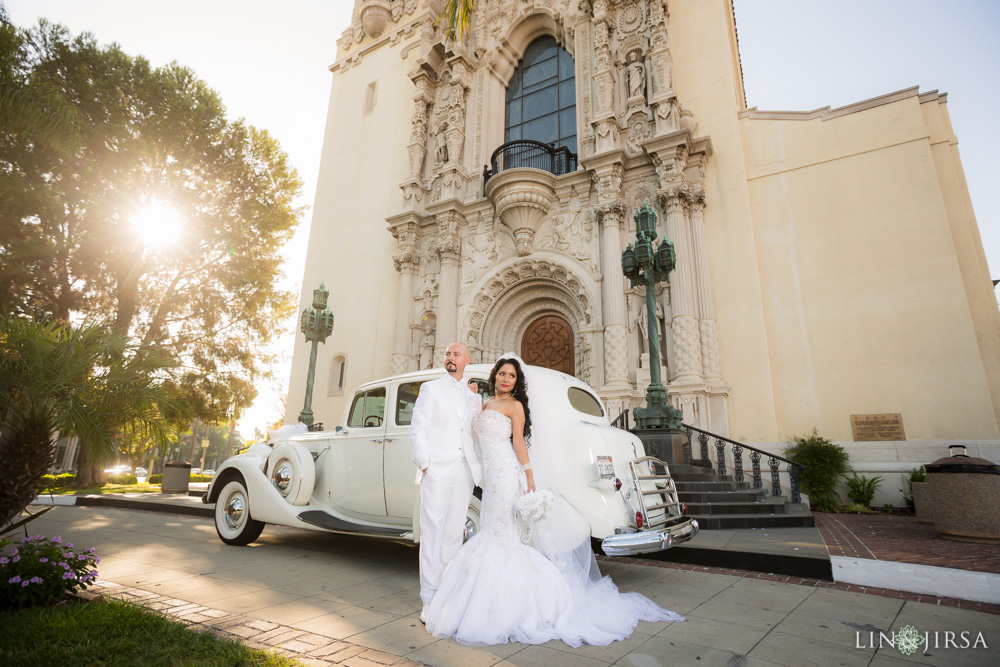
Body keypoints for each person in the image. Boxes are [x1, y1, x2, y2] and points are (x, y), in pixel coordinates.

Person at [423, 353, 683, 646]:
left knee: (504, 535)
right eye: (502, 374)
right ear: (494, 375)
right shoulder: (484, 403)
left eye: (511, 376)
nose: (506, 379)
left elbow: (518, 442)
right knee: (490, 530)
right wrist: (471, 399)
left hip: (508, 475)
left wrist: (529, 477)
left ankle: (517, 602)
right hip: (490, 478)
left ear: (516, 382)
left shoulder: (515, 406)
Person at [409, 341, 484, 624]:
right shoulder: (431, 389)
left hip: (463, 471)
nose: (450, 358)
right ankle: (429, 598)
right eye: (447, 354)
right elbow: (418, 429)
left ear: (467, 360)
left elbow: (473, 432)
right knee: (432, 532)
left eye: (456, 355)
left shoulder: (472, 396)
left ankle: (446, 592)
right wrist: (425, 464)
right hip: (437, 470)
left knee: (454, 533)